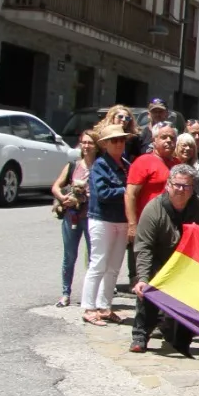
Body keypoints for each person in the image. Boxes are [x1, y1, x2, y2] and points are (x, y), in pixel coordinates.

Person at [130, 164, 199, 358]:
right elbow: (144, 248)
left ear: (193, 189)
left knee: (191, 299)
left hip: (187, 266)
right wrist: (142, 278)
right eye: (177, 185)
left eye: (187, 186)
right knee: (147, 287)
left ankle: (181, 342)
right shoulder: (153, 210)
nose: (182, 190)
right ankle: (140, 336)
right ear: (168, 185)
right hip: (159, 263)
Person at [81, 125, 130, 326]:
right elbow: (102, 193)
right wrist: (127, 191)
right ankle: (88, 307)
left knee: (114, 267)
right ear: (106, 144)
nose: (119, 143)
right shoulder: (100, 165)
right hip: (102, 219)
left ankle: (104, 306)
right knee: (98, 264)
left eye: (121, 140)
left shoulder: (126, 164)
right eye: (114, 140)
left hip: (121, 220)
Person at [124, 124, 177, 283]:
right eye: (164, 137)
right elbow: (130, 194)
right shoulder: (143, 162)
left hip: (170, 227)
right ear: (154, 140)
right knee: (146, 271)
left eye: (172, 138)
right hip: (147, 225)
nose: (168, 141)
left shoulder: (177, 163)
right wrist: (132, 224)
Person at [52, 130, 96, 309]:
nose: (86, 146)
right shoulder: (73, 166)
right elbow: (56, 186)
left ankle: (90, 296)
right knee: (69, 256)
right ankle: (65, 294)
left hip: (92, 216)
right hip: (72, 216)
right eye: (83, 142)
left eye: (90, 143)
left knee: (94, 257)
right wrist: (63, 199)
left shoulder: (100, 166)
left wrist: (85, 198)